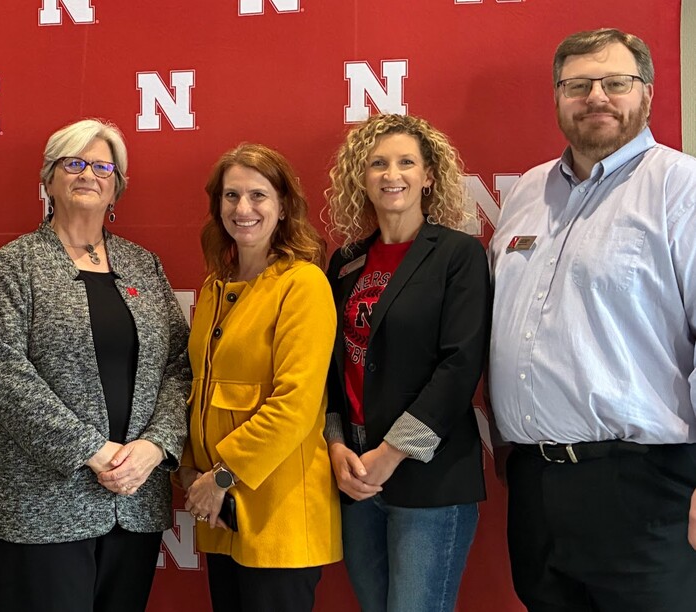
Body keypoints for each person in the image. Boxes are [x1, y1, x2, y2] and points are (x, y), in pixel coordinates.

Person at [490, 28, 696, 611]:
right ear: (557, 97)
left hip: (644, 487)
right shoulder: (528, 192)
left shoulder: (682, 189)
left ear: (648, 94)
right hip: (535, 488)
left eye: (615, 82)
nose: (596, 96)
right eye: (578, 85)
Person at [0, 118, 191, 612]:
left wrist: (154, 448)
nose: (87, 174)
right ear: (49, 179)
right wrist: (93, 451)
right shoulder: (15, 264)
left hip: (133, 502)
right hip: (40, 506)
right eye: (73, 163)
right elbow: (4, 374)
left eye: (101, 166)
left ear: (117, 186)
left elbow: (178, 366)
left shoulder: (143, 265)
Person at [324, 113, 489, 612]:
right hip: (354, 474)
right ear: (362, 177)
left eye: (405, 163)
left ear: (429, 175)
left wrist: (391, 453)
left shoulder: (458, 255)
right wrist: (335, 444)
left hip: (429, 478)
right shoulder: (346, 261)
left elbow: (460, 365)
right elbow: (333, 367)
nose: (391, 175)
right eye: (378, 163)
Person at [180, 143, 339, 612]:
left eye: (258, 195)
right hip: (223, 514)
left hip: (278, 514)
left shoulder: (303, 284)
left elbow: (296, 404)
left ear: (283, 205)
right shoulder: (214, 287)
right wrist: (191, 468)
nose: (243, 209)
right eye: (231, 196)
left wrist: (223, 476)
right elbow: (200, 386)